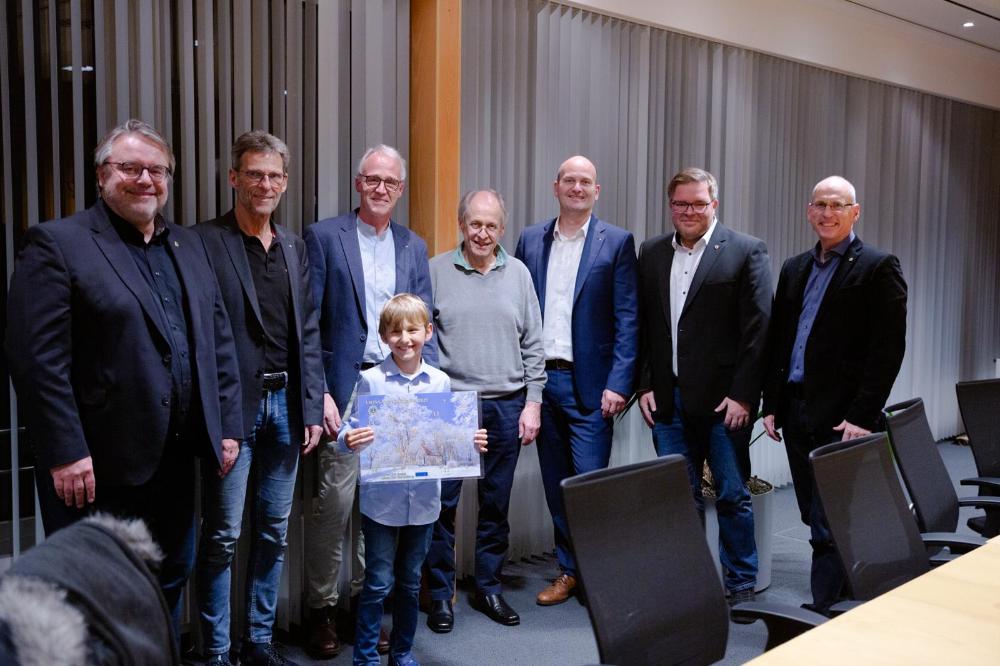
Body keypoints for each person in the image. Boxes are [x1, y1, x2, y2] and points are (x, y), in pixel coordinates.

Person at [4, 119, 243, 636]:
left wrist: (227, 426)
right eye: (130, 167)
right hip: (97, 465)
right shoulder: (58, 243)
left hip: (176, 458)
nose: (146, 180)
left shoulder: (188, 245)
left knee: (169, 575)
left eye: (157, 170)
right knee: (99, 593)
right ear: (102, 175)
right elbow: (37, 360)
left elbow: (217, 341)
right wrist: (65, 450)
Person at [193, 131, 325, 666]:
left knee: (273, 532)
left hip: (287, 407)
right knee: (223, 536)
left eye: (273, 176)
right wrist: (216, 418)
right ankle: (216, 650)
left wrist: (312, 406)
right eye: (254, 174)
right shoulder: (205, 242)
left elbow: (308, 332)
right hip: (234, 412)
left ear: (285, 183)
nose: (264, 184)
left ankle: (259, 641)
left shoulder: (294, 247)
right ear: (234, 178)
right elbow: (202, 337)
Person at [302, 144, 436, 657]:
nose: (381, 189)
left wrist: (427, 390)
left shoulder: (413, 245)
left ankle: (365, 609)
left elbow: (425, 322)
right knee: (334, 505)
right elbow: (308, 324)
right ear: (358, 182)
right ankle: (321, 610)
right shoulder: (324, 237)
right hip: (345, 389)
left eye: (391, 182)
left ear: (400, 189)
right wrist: (319, 393)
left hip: (397, 390)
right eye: (373, 179)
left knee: (379, 505)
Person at [762, 175, 907, 615]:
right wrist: (772, 404)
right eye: (820, 205)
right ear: (809, 211)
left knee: (831, 515)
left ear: (855, 212)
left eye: (838, 205)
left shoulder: (879, 267)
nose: (828, 213)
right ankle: (846, 592)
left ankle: (827, 607)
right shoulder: (795, 268)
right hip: (797, 408)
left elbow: (888, 349)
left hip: (844, 416)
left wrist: (863, 414)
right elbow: (780, 340)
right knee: (811, 510)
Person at [636, 167, 772, 606]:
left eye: (698, 203)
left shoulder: (745, 250)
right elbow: (646, 326)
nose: (689, 211)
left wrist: (745, 395)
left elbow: (758, 331)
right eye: (681, 203)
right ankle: (690, 583)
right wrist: (645, 385)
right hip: (668, 400)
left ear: (714, 204)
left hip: (723, 403)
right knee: (680, 496)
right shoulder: (652, 251)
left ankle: (741, 582)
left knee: (731, 494)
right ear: (670, 205)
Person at [514, 155, 638, 605]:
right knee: (556, 486)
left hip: (592, 387)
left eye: (586, 181)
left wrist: (619, 383)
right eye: (570, 180)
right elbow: (518, 309)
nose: (577, 187)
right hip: (541, 384)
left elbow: (628, 318)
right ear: (556, 187)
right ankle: (569, 572)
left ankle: (598, 574)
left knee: (588, 486)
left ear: (596, 191)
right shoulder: (531, 239)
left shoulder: (617, 243)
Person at [338, 293, 488, 666]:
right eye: (395, 332)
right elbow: (345, 432)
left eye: (412, 330)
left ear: (428, 332)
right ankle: (365, 658)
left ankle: (402, 653)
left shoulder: (439, 382)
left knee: (408, 583)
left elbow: (445, 438)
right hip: (381, 504)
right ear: (383, 336)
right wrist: (348, 439)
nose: (404, 339)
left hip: (423, 503)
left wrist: (468, 442)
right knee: (377, 583)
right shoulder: (370, 380)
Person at [424, 189, 546, 632]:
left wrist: (533, 402)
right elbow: (421, 337)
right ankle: (440, 594)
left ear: (502, 229)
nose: (482, 233)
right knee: (442, 507)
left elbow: (534, 343)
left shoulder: (519, 274)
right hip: (451, 405)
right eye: (475, 224)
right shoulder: (436, 270)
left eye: (491, 225)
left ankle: (489, 587)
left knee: (495, 504)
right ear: (462, 224)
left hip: (506, 404)